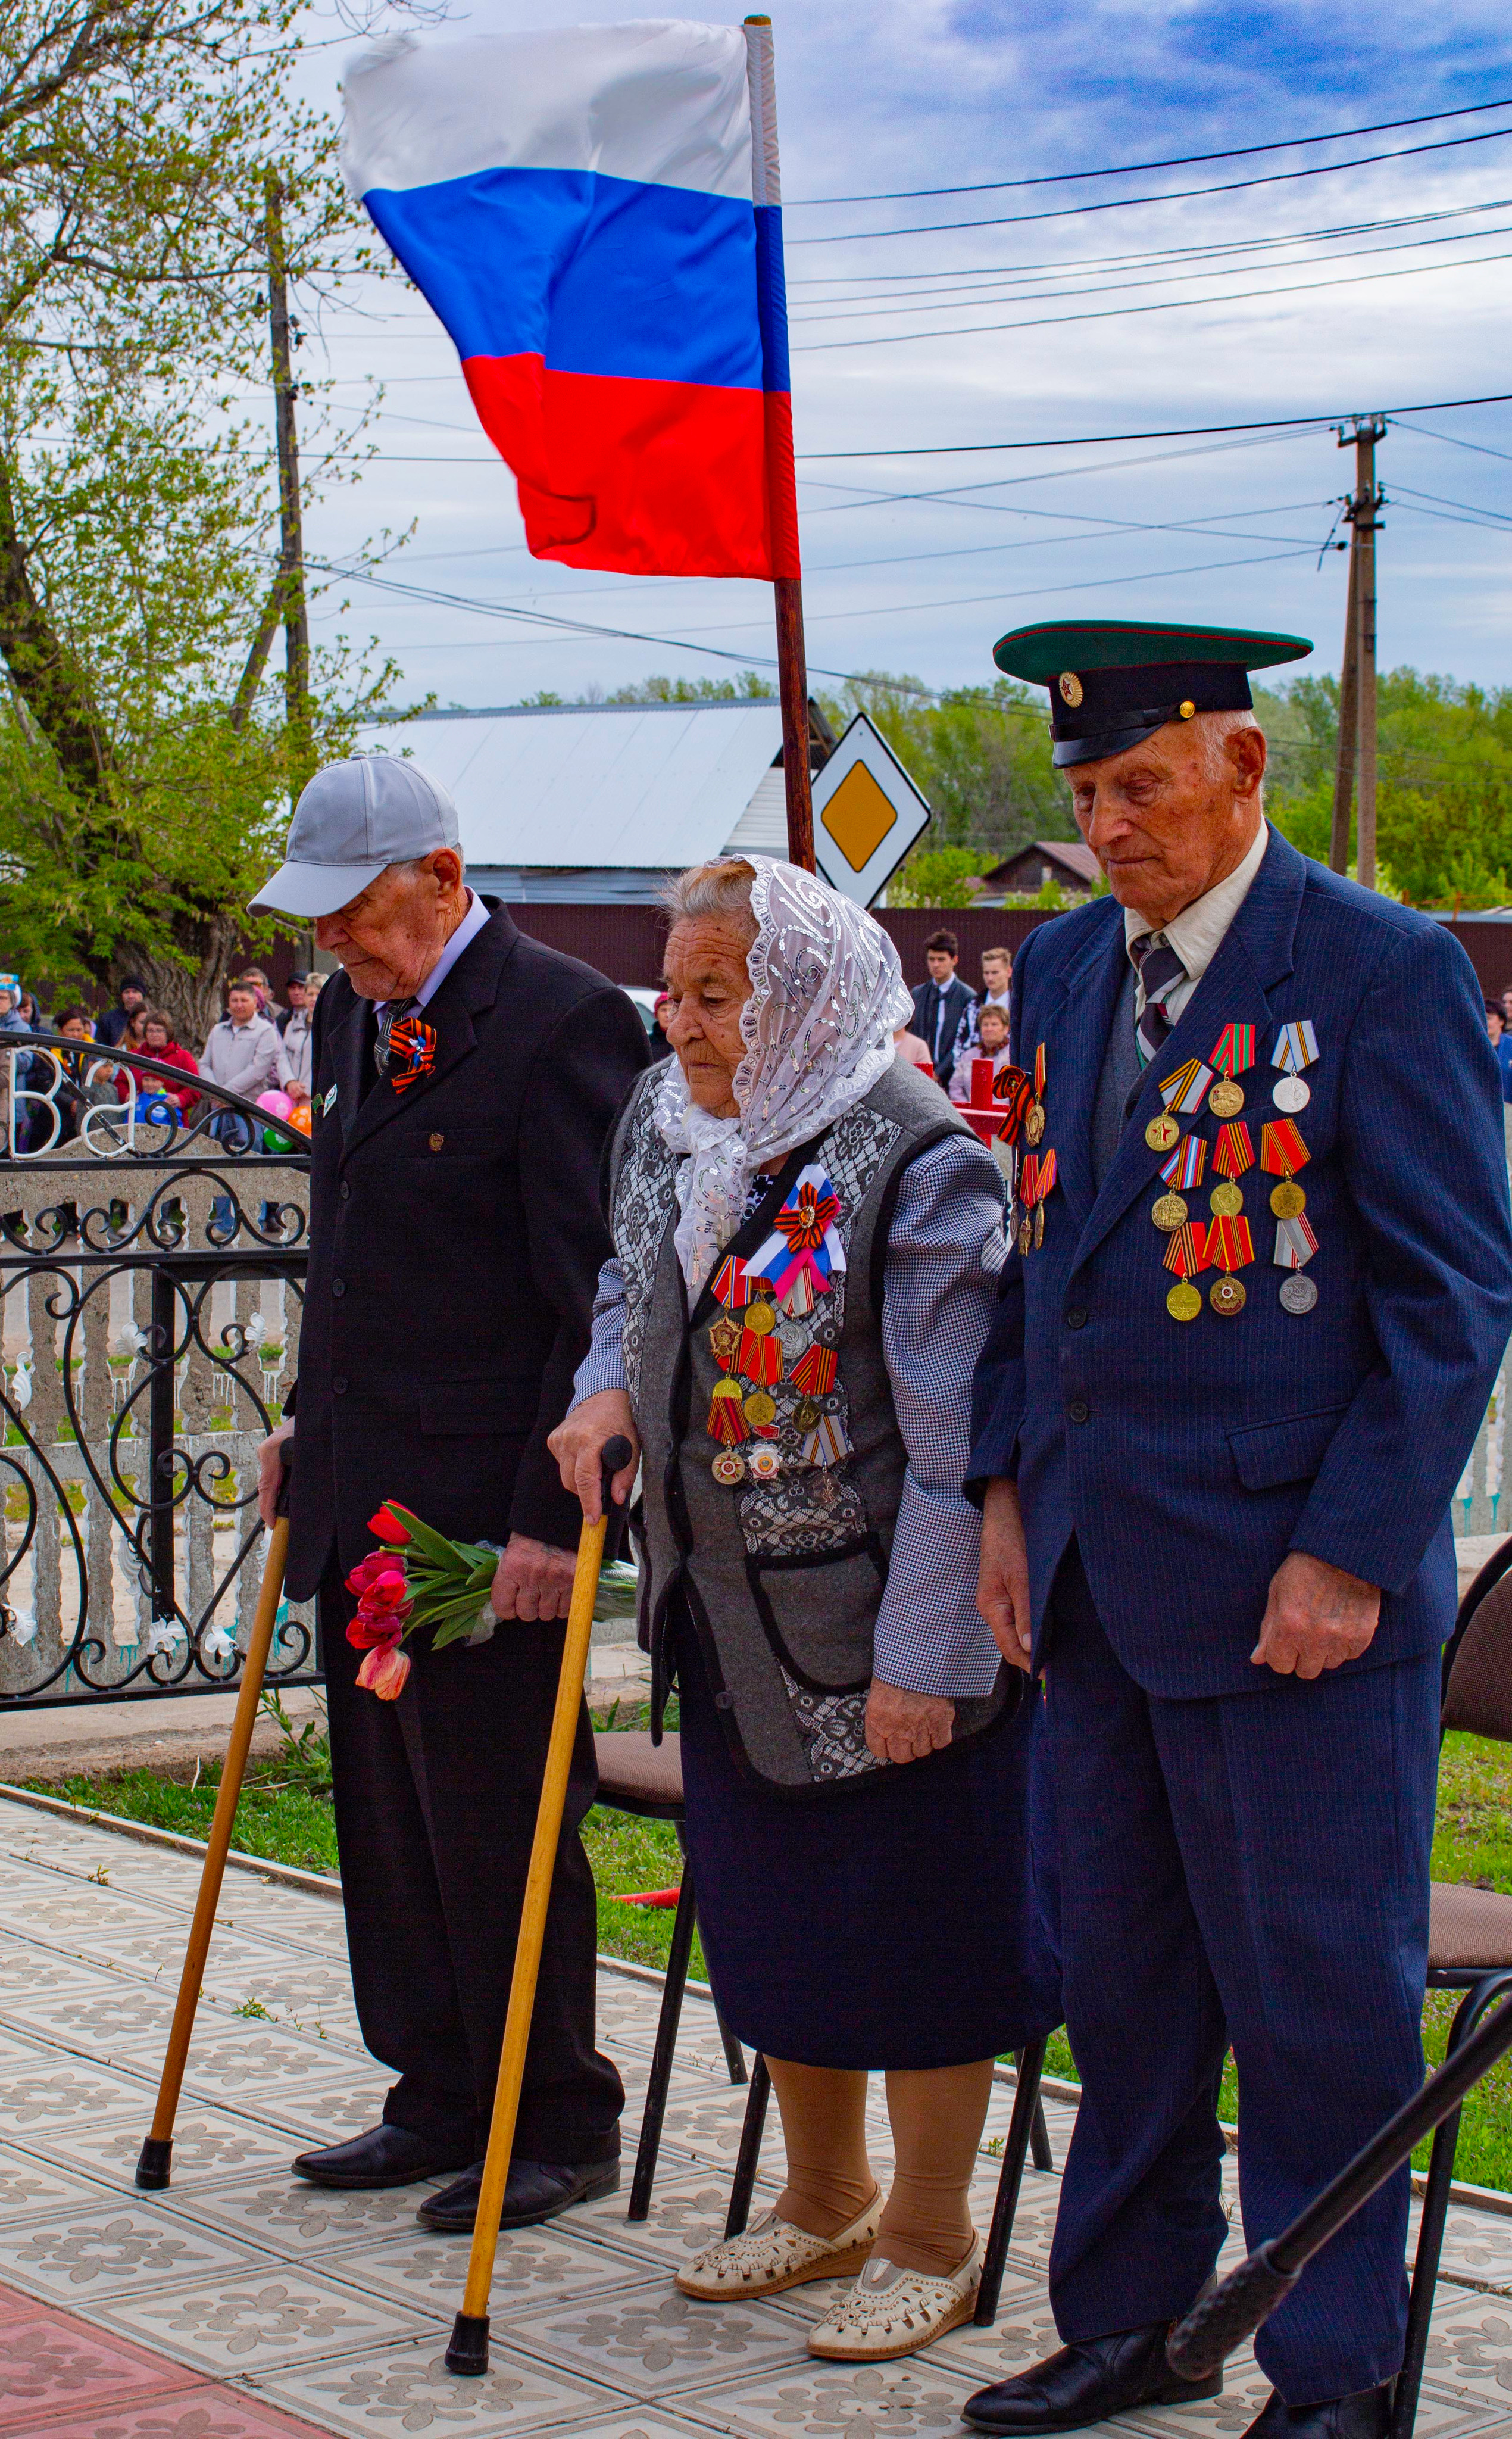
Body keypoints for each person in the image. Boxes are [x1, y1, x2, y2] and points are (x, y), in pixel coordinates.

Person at [963, 619, 1512, 2439]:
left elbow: (1450, 1299)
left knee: (1313, 2010)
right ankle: (1126, 2326)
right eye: (1085, 793)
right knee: (1116, 1988)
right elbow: (1035, 1268)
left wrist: (1350, 1551)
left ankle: (1335, 2371)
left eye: (1139, 787)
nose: (1106, 827)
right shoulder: (1055, 973)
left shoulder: (1377, 970)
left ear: (1243, 765)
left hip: (1301, 1605)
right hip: (1100, 1583)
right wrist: (999, 1498)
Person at [552, 856, 1058, 2360]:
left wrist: (920, 1663)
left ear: (807, 997)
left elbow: (954, 1451)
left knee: (917, 1933)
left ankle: (927, 2232)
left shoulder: (910, 1158)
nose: (687, 1025)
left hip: (881, 1629)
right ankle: (822, 2191)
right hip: (728, 1617)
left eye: (721, 996)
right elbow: (632, 1286)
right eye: (678, 991)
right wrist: (600, 1395)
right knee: (776, 1922)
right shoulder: (671, 1125)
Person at [252, 753, 647, 2232]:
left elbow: (588, 1291)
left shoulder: (561, 1024)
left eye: (354, 911)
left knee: (495, 1814)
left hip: (491, 1510)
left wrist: (551, 1525)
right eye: (321, 922)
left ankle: (551, 2108)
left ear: (444, 881)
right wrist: (305, 1417)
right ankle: (434, 2086)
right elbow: (340, 1242)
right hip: (364, 1482)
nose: (333, 944)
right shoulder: (356, 1011)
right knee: (386, 1810)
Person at [199, 982, 292, 1135]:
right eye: (234, 1000)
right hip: (217, 1108)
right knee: (215, 1154)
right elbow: (204, 1064)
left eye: (244, 1000)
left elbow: (258, 1070)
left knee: (248, 1155)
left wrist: (225, 1095)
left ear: (255, 1002)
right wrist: (215, 1093)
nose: (239, 1005)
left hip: (248, 1109)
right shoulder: (218, 1030)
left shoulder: (266, 1031)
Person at [910, 929, 974, 1094]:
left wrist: (938, 1073)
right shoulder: (917, 994)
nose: (936, 965)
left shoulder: (968, 997)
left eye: (941, 959)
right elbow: (912, 1035)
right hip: (918, 1077)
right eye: (931, 959)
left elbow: (965, 1042)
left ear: (955, 960)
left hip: (954, 1080)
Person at [116, 1009, 199, 1116]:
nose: (154, 1035)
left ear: (168, 1032)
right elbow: (120, 1082)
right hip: (138, 1117)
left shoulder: (183, 1057)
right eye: (150, 1031)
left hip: (172, 1118)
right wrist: (127, 1095)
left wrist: (181, 1098)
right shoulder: (133, 1056)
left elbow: (196, 1087)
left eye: (159, 1031)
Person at [952, 944, 1014, 1070]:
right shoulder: (973, 1007)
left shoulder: (1018, 1007)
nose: (990, 978)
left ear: (1009, 972)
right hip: (974, 1075)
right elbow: (960, 1046)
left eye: (995, 972)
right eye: (986, 973)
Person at [948, 1001, 1012, 1103]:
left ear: (1006, 1029)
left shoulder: (1012, 1055)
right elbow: (955, 1086)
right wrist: (968, 1107)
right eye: (985, 1025)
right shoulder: (968, 1056)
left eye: (994, 1024)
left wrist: (993, 1110)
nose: (989, 1028)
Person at [280, 974, 317, 1103]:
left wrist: (306, 1089)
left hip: (314, 1097)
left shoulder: (332, 1026)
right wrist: (290, 1081)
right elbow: (282, 1056)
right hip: (291, 1096)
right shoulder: (292, 1024)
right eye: (310, 994)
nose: (314, 999)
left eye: (318, 994)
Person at [95, 976, 148, 1048]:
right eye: (127, 992)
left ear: (142, 995)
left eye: (135, 992)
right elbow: (100, 1047)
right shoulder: (108, 1019)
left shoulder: (151, 1018)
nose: (131, 996)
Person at [1487, 1003, 1512, 1104]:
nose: (1484, 1021)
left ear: (1501, 1021)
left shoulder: (1510, 1046)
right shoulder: (1472, 1047)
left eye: (1489, 1018)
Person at [648, 988, 676, 1060]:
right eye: (663, 1010)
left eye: (671, 1010)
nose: (667, 1015)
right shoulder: (648, 1042)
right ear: (656, 1014)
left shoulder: (683, 1041)